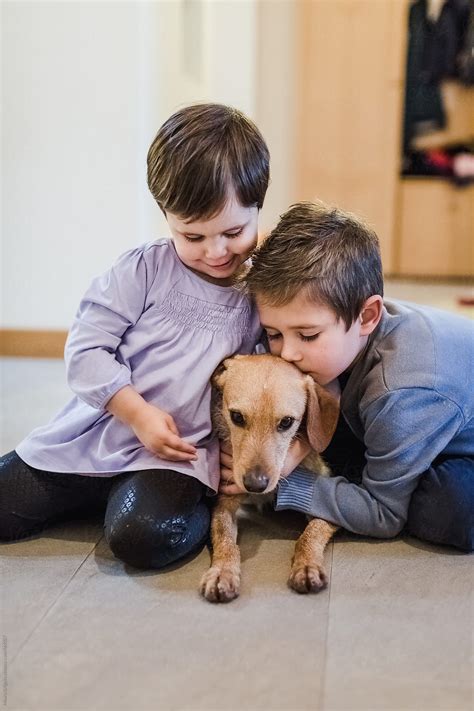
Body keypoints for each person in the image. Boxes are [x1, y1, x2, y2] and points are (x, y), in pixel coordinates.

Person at [0, 103, 270, 567]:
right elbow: (86, 351)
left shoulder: (261, 292)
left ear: (257, 207)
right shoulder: (142, 270)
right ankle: (101, 494)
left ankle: (135, 503)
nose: (216, 251)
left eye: (234, 231)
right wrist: (137, 413)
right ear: (165, 216)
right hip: (97, 435)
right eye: (193, 236)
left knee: (143, 539)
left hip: (173, 455)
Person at [220, 201, 474, 552]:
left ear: (368, 317)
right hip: (423, 410)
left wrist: (289, 480)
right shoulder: (337, 330)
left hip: (450, 428)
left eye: (307, 335)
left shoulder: (400, 393)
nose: (287, 353)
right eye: (274, 333)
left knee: (447, 508)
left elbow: (384, 515)